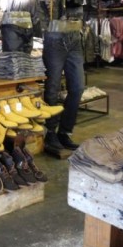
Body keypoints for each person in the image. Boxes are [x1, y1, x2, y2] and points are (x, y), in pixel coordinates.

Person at [42, 18, 85, 156]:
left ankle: (64, 131)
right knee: (52, 89)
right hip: (54, 36)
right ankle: (50, 132)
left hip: (75, 36)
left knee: (78, 88)